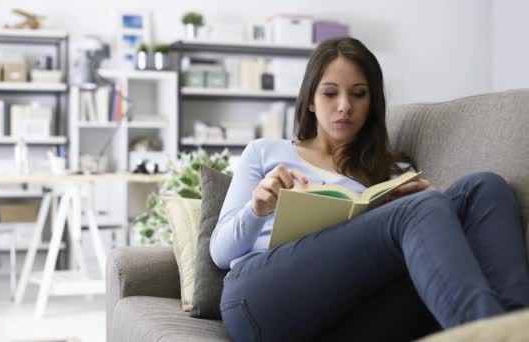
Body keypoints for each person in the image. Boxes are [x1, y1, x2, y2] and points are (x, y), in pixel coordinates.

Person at [210, 37, 529, 342]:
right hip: (260, 299)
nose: (345, 106)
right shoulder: (265, 152)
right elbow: (220, 253)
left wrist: (437, 203)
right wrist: (257, 209)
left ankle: (516, 329)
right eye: (330, 93)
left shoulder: (393, 172)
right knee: (423, 208)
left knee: (485, 187)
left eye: (359, 94)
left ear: (372, 101)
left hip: (348, 314)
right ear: (309, 100)